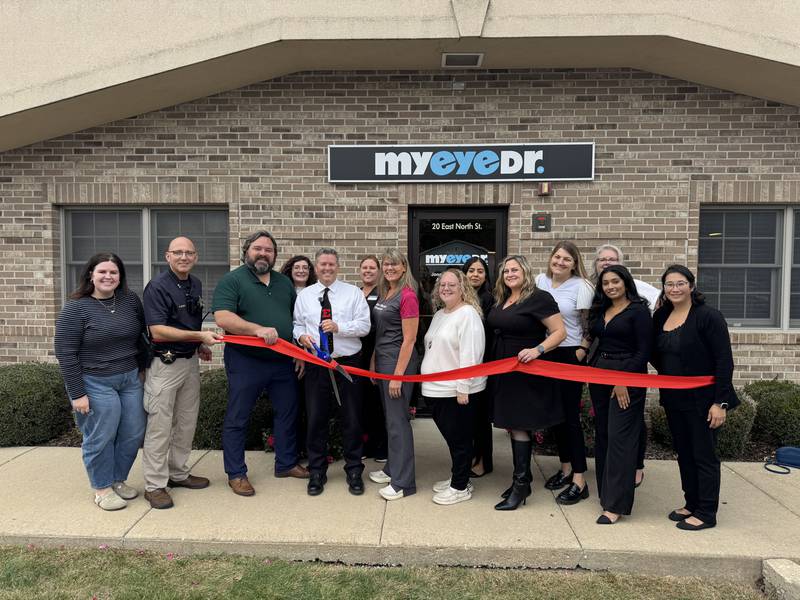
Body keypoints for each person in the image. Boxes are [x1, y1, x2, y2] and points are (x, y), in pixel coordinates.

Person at [212, 230, 308, 497]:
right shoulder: (232, 280)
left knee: (288, 412)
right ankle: (236, 473)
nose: (263, 253)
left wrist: (299, 352)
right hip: (246, 361)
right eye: (258, 249)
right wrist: (256, 329)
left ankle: (286, 463)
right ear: (246, 252)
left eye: (268, 250)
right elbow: (222, 318)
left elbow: (295, 321)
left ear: (275, 255)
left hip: (282, 361)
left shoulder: (283, 283)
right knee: (238, 416)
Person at [54, 252, 147, 511]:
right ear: (90, 275)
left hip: (129, 378)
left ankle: (117, 479)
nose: (108, 276)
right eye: (102, 272)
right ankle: (102, 488)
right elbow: (65, 352)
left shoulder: (129, 300)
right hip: (95, 381)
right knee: (101, 435)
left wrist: (142, 368)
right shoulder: (76, 308)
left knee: (133, 431)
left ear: (120, 277)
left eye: (114, 272)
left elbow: (141, 337)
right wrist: (77, 393)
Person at [651, 265, 739, 531]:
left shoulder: (708, 316)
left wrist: (720, 403)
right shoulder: (661, 316)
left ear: (691, 285)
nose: (674, 289)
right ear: (664, 288)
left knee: (704, 455)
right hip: (674, 400)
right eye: (669, 284)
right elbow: (656, 354)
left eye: (680, 284)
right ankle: (691, 503)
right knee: (685, 453)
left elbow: (724, 361)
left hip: (704, 401)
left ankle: (707, 512)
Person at [140, 236, 223, 509]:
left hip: (189, 362)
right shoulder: (157, 287)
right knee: (160, 426)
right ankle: (155, 485)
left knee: (186, 422)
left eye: (189, 253)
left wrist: (199, 344)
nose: (184, 257)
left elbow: (191, 318)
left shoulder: (194, 283)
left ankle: (177, 473)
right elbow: (158, 330)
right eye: (178, 253)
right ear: (167, 256)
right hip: (164, 365)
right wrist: (198, 335)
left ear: (195, 257)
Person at [488, 255, 567, 511]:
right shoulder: (503, 298)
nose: (510, 274)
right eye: (506, 270)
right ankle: (524, 481)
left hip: (525, 369)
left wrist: (537, 350)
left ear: (525, 272)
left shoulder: (539, 297)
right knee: (511, 423)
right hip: (503, 369)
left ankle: (521, 485)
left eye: (515, 269)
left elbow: (560, 332)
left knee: (520, 424)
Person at [293, 248, 371, 496]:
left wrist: (339, 327)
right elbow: (296, 324)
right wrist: (301, 336)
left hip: (347, 363)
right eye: (322, 265)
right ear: (316, 268)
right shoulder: (305, 295)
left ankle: (354, 470)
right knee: (316, 419)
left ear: (338, 267)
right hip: (317, 364)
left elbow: (364, 326)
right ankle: (317, 471)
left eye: (331, 264)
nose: (327, 269)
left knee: (352, 418)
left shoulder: (353, 294)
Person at [587, 264, 653, 524]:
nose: (611, 286)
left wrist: (622, 380)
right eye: (606, 283)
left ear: (625, 282)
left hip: (627, 377)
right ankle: (606, 494)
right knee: (603, 433)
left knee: (620, 438)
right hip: (599, 376)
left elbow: (643, 351)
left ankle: (615, 506)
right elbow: (596, 340)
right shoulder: (602, 308)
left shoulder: (638, 312)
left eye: (615, 281)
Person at [535, 241, 594, 505]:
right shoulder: (540, 281)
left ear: (574, 263)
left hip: (570, 353)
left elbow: (588, 324)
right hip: (546, 352)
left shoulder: (582, 286)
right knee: (556, 416)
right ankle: (566, 468)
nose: (560, 262)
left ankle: (580, 481)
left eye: (566, 259)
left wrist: (582, 349)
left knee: (570, 418)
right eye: (557, 257)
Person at [421, 269, 486, 505]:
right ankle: (458, 478)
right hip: (434, 389)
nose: (446, 288)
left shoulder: (468, 314)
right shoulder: (440, 315)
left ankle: (460, 487)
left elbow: (471, 353)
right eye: (442, 285)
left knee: (460, 440)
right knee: (452, 439)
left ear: (463, 289)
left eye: (452, 285)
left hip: (455, 391)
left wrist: (463, 387)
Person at [367, 249, 420, 501]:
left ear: (403, 267)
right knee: (391, 420)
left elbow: (409, 340)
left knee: (398, 422)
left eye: (394, 264)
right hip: (384, 360)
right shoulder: (385, 292)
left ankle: (403, 482)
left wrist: (398, 375)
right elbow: (380, 332)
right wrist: (374, 361)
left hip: (399, 364)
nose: (389, 268)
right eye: (386, 264)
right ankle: (392, 469)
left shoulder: (407, 296)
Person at [280, 254, 317, 458]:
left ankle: (307, 448)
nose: (302, 270)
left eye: (305, 267)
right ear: (290, 270)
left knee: (307, 404)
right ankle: (291, 448)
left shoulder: (315, 293)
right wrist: (295, 352)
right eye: (297, 267)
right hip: (288, 353)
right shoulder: (282, 291)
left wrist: (304, 352)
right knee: (290, 404)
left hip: (309, 354)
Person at [461, 256, 493, 478]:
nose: (475, 274)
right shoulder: (461, 299)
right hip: (464, 365)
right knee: (468, 418)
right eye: (471, 270)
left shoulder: (488, 299)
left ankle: (483, 462)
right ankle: (472, 457)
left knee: (480, 418)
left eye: (480, 271)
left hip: (482, 363)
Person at [359, 255, 388, 463]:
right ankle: (365, 445)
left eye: (372, 268)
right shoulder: (354, 293)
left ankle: (382, 447)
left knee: (378, 402)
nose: (368, 271)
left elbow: (382, 330)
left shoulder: (384, 294)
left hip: (375, 353)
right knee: (361, 402)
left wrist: (375, 357)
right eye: (364, 268)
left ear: (378, 272)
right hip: (356, 354)